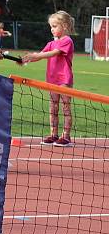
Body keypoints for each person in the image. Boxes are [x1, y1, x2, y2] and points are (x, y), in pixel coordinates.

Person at [22, 11, 75, 146]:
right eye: (51, 26)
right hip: (52, 80)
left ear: (64, 26)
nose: (52, 29)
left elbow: (53, 53)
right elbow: (41, 54)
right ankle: (53, 134)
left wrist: (36, 56)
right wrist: (26, 59)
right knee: (53, 108)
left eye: (55, 26)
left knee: (66, 108)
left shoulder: (67, 41)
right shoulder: (51, 43)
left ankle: (66, 136)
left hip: (64, 80)